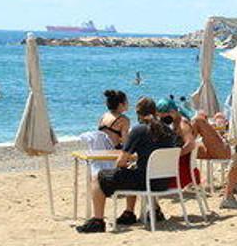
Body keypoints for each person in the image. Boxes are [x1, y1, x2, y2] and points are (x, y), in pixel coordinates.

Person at [77, 97, 183, 233]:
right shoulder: (168, 132)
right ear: (155, 111)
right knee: (133, 170)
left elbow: (121, 161)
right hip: (164, 182)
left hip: (145, 183)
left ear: (138, 114)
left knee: (98, 177)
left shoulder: (139, 130)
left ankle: (98, 220)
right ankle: (131, 212)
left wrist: (122, 164)